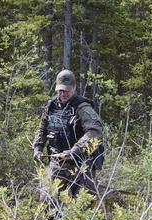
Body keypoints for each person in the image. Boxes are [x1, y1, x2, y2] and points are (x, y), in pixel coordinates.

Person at [32, 69, 104, 198]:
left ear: (74, 87)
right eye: (60, 90)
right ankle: (54, 218)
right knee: (48, 198)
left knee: (84, 202)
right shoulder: (51, 106)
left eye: (66, 90)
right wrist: (37, 148)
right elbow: (42, 129)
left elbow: (95, 131)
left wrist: (74, 150)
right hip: (57, 161)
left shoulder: (83, 107)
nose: (63, 93)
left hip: (81, 162)